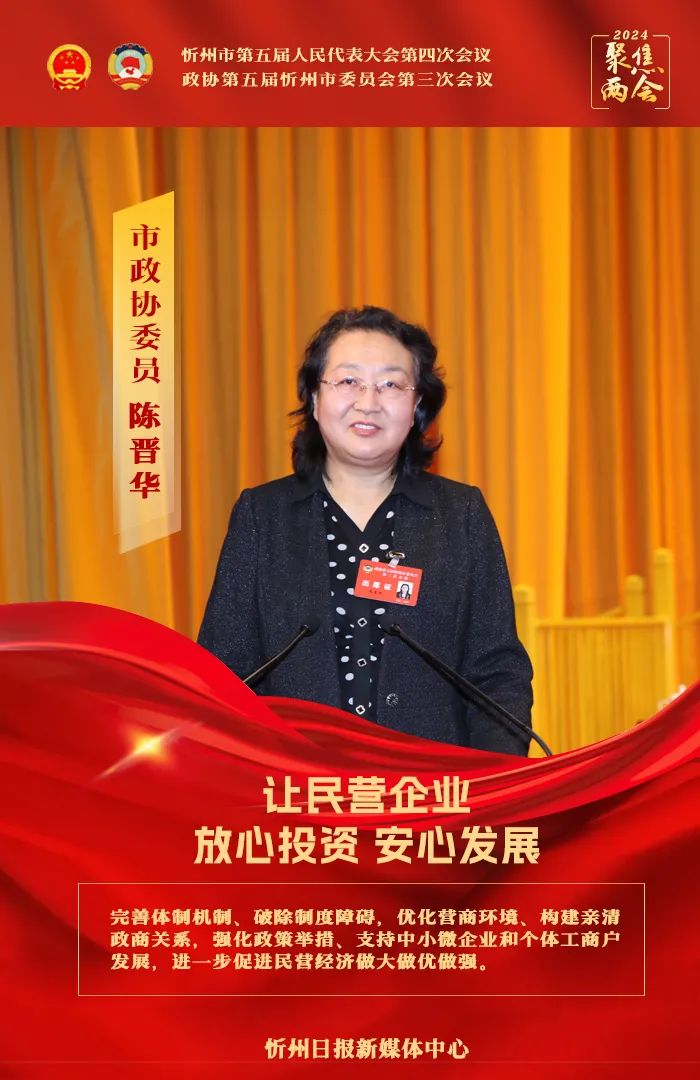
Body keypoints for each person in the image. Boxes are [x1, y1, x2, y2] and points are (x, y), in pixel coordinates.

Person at [198, 306, 533, 755]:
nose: (368, 401)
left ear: (416, 406)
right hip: (299, 784)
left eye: (391, 384)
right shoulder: (262, 516)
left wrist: (494, 781)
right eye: (348, 381)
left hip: (429, 786)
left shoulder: (461, 514)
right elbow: (224, 670)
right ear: (314, 399)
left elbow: (497, 672)